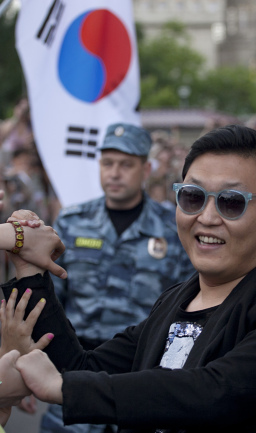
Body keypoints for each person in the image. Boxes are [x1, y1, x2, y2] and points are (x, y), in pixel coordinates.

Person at [2, 125, 256, 432]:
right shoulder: (173, 303)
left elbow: (216, 393)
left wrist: (68, 389)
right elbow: (80, 365)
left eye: (231, 202)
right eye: (193, 197)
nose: (207, 218)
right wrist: (30, 269)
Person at [36, 122, 194, 433]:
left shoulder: (171, 227)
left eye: (126, 164)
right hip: (77, 366)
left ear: (146, 168)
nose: (115, 173)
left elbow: (186, 305)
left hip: (141, 371)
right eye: (107, 163)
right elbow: (51, 301)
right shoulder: (72, 222)